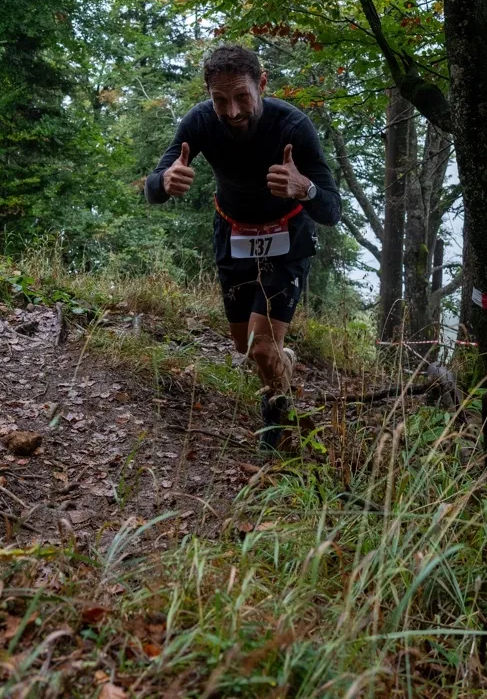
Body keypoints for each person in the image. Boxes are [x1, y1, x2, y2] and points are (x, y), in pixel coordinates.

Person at [145, 44, 342, 449]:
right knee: (245, 345)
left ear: (262, 84)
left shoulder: (293, 126)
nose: (232, 111)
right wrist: (164, 182)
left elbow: (332, 210)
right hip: (233, 233)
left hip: (287, 237)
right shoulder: (200, 121)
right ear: (208, 95)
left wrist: (304, 188)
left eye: (241, 97)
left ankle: (278, 421)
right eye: (220, 100)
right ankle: (283, 365)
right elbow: (155, 185)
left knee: (262, 346)